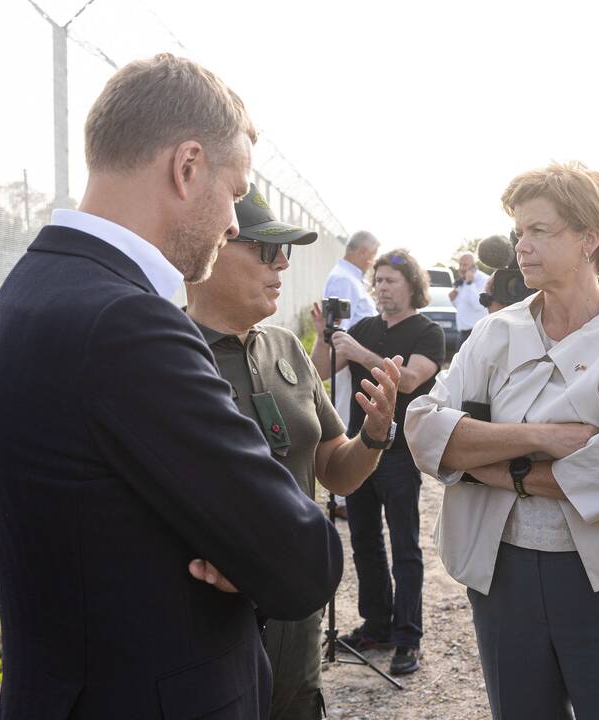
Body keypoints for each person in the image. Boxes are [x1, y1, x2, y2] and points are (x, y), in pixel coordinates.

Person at [0, 54, 343, 719]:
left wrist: (244, 545)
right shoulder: (128, 325)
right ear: (186, 166)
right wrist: (250, 551)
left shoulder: (28, 293)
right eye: (235, 189)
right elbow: (302, 562)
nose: (232, 222)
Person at [406, 161, 599, 720]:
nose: (522, 246)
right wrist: (542, 437)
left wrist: (488, 463)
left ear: (589, 239)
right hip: (503, 573)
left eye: (539, 231)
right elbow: (423, 430)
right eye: (520, 232)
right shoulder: (498, 330)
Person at [185, 190, 401, 720]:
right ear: (215, 248)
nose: (283, 262)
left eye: (285, 251)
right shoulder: (167, 349)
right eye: (266, 249)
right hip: (212, 618)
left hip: (294, 617)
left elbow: (335, 471)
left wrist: (373, 435)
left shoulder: (285, 348)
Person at [311, 249, 445, 676]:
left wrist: (359, 350)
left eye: (392, 281)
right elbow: (321, 371)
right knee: (364, 539)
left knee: (405, 545)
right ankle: (376, 624)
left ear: (412, 287)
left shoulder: (428, 332)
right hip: (359, 448)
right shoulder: (364, 326)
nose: (383, 287)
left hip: (399, 452)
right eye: (379, 280)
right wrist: (322, 336)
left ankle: (409, 637)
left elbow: (407, 379)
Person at [322, 231, 381, 519]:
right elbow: (338, 326)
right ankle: (343, 495)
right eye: (372, 255)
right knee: (344, 420)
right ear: (364, 252)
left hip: (355, 360)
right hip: (346, 362)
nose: (372, 261)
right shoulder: (344, 279)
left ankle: (347, 492)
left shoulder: (351, 277)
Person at [449, 250, 489, 346]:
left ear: (473, 266)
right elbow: (461, 306)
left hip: (477, 334)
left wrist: (470, 283)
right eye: (460, 264)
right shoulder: (463, 281)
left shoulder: (483, 280)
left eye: (465, 265)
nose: (462, 268)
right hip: (462, 334)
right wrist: (453, 298)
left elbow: (479, 305)